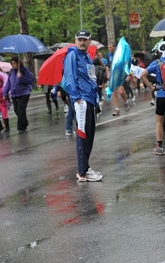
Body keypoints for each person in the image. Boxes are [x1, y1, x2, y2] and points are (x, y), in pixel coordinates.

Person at [62, 30, 102, 182]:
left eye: (85, 40)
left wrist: (96, 96)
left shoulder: (88, 58)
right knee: (82, 135)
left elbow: (91, 79)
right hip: (82, 101)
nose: (82, 42)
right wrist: (77, 98)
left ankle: (85, 167)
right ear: (75, 40)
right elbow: (70, 77)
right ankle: (82, 171)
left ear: (89, 41)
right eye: (79, 39)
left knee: (90, 135)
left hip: (91, 100)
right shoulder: (72, 56)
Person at [2, 56, 34, 134]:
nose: (13, 65)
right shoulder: (11, 72)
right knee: (17, 111)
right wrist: (5, 93)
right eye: (12, 64)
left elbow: (30, 81)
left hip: (24, 94)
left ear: (18, 63)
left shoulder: (25, 70)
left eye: (14, 63)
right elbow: (8, 84)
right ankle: (25, 122)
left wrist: (21, 77)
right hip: (14, 94)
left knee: (20, 110)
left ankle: (21, 127)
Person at [107, 41, 130, 116]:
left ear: (114, 47)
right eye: (108, 48)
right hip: (114, 76)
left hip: (121, 75)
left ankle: (126, 101)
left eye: (110, 47)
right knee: (114, 92)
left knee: (121, 92)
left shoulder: (120, 54)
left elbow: (126, 63)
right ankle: (116, 109)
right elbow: (108, 65)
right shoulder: (109, 55)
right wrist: (108, 73)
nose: (109, 49)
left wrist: (128, 74)